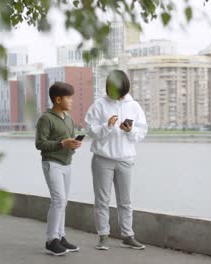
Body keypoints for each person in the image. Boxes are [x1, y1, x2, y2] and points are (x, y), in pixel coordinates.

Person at [85, 70, 147, 250]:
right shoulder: (99, 104)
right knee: (102, 200)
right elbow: (90, 129)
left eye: (122, 90)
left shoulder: (134, 106)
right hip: (103, 159)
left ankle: (128, 235)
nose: (119, 95)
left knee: (125, 201)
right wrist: (108, 126)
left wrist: (129, 130)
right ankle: (103, 236)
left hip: (126, 159)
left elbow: (142, 131)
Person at [35, 82, 82, 256]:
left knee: (64, 201)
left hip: (67, 163)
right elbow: (40, 144)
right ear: (57, 99)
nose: (71, 101)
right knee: (58, 200)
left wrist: (73, 144)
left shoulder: (69, 118)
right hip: (51, 163)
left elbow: (68, 141)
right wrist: (62, 144)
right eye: (69, 98)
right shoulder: (45, 118)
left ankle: (61, 237)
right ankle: (51, 240)